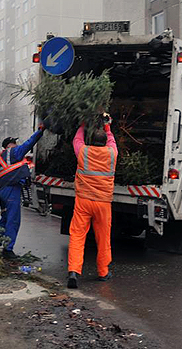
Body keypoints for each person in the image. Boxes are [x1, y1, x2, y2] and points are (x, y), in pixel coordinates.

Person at [67, 114, 117, 288]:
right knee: (103, 238)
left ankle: (74, 271)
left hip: (84, 201)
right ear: (104, 142)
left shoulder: (83, 152)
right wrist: (107, 126)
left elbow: (77, 140)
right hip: (103, 203)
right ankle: (103, 272)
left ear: (91, 141)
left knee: (77, 235)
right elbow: (112, 140)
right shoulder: (112, 153)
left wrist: (82, 125)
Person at [0, 123, 45, 259]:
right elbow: (29, 143)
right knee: (13, 219)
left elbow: (5, 172)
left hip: (3, 190)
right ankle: (8, 249)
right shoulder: (14, 152)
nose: (17, 145)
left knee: (5, 218)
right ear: (9, 145)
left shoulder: (1, 158)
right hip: (12, 190)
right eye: (14, 143)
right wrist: (40, 130)